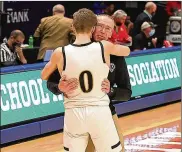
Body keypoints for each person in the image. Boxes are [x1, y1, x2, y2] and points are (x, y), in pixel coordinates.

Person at [41, 8, 130, 152]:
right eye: (100, 26)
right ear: (92, 26)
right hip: (87, 113)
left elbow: (126, 92)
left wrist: (111, 90)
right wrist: (59, 88)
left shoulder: (114, 55)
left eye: (108, 28)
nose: (103, 31)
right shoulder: (68, 51)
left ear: (111, 32)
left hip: (105, 112)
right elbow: (50, 82)